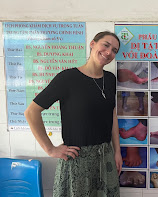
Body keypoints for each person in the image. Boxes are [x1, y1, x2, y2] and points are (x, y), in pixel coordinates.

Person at [24, 31, 122, 197]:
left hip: (105, 158)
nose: (108, 52)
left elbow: (112, 115)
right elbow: (32, 112)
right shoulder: (68, 78)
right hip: (77, 159)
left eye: (114, 50)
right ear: (92, 44)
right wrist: (50, 149)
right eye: (106, 45)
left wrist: (116, 151)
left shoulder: (110, 79)